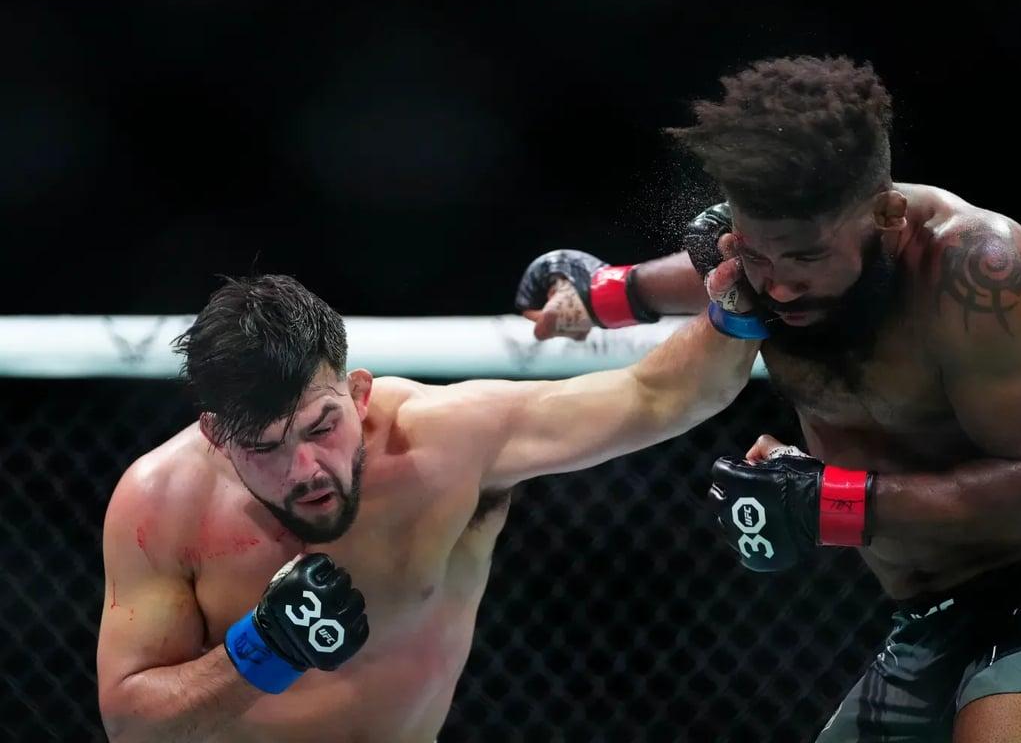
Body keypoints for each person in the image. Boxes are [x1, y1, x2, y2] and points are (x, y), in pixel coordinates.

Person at [514, 55, 1021, 742]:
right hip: (926, 620)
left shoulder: (976, 270)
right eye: (757, 255)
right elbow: (735, 263)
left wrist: (832, 501)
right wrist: (606, 291)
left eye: (808, 259)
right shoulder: (762, 259)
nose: (778, 287)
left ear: (885, 212)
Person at [95, 272, 759, 743]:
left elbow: (661, 397)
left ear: (357, 393)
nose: (305, 470)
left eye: (322, 426)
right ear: (217, 436)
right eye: (264, 447)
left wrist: (746, 282)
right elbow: (130, 723)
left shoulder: (445, 442)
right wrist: (263, 649)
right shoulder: (163, 503)